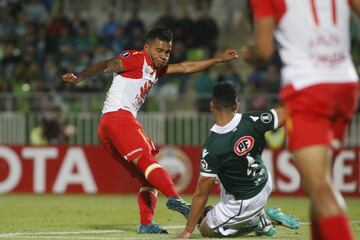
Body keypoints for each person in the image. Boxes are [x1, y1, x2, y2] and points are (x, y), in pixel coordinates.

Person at [62, 27, 238, 234]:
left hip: (108, 128)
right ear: (147, 47)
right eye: (159, 51)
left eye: (167, 52)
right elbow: (106, 65)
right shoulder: (136, 58)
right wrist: (78, 78)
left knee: (148, 176)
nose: (163, 56)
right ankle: (177, 201)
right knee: (148, 161)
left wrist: (218, 60)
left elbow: (186, 67)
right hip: (119, 118)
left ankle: (146, 223)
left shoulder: (155, 69)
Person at [241, 1, 360, 239]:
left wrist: (248, 54)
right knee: (321, 184)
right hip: (346, 85)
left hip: (308, 88)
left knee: (319, 186)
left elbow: (263, 51)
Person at [177, 82, 299, 238]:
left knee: (205, 228)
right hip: (263, 182)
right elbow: (285, 114)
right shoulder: (253, 120)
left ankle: (258, 221)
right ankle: (254, 217)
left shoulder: (212, 147)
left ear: (212, 105)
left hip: (245, 200)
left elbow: (202, 193)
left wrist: (188, 230)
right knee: (206, 212)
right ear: (236, 105)